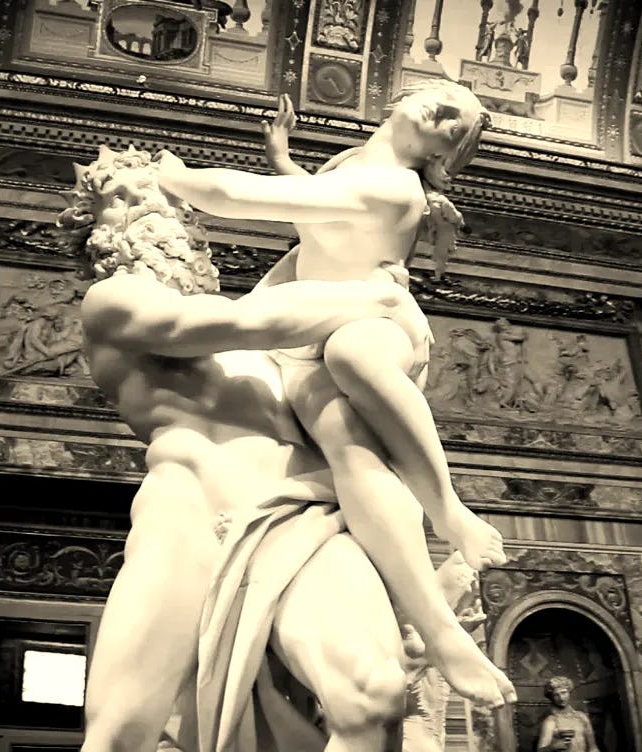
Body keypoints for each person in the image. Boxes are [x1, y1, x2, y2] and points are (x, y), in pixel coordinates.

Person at [59, 145, 435, 752]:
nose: (153, 209)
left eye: (164, 199)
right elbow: (217, 324)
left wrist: (371, 229)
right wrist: (379, 298)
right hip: (187, 517)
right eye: (124, 198)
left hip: (296, 520)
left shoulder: (271, 321)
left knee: (378, 695)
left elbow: (335, 233)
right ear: (97, 232)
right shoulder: (113, 303)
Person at [158, 79, 515, 710]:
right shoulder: (351, 167)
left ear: (440, 153)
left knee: (351, 352)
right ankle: (438, 630)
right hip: (304, 342)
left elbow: (236, 198)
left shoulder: (396, 186)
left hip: (375, 321)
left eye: (452, 122)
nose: (440, 109)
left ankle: (448, 508)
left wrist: (173, 177)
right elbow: (317, 216)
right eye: (441, 98)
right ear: (403, 97)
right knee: (348, 451)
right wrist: (284, 159)